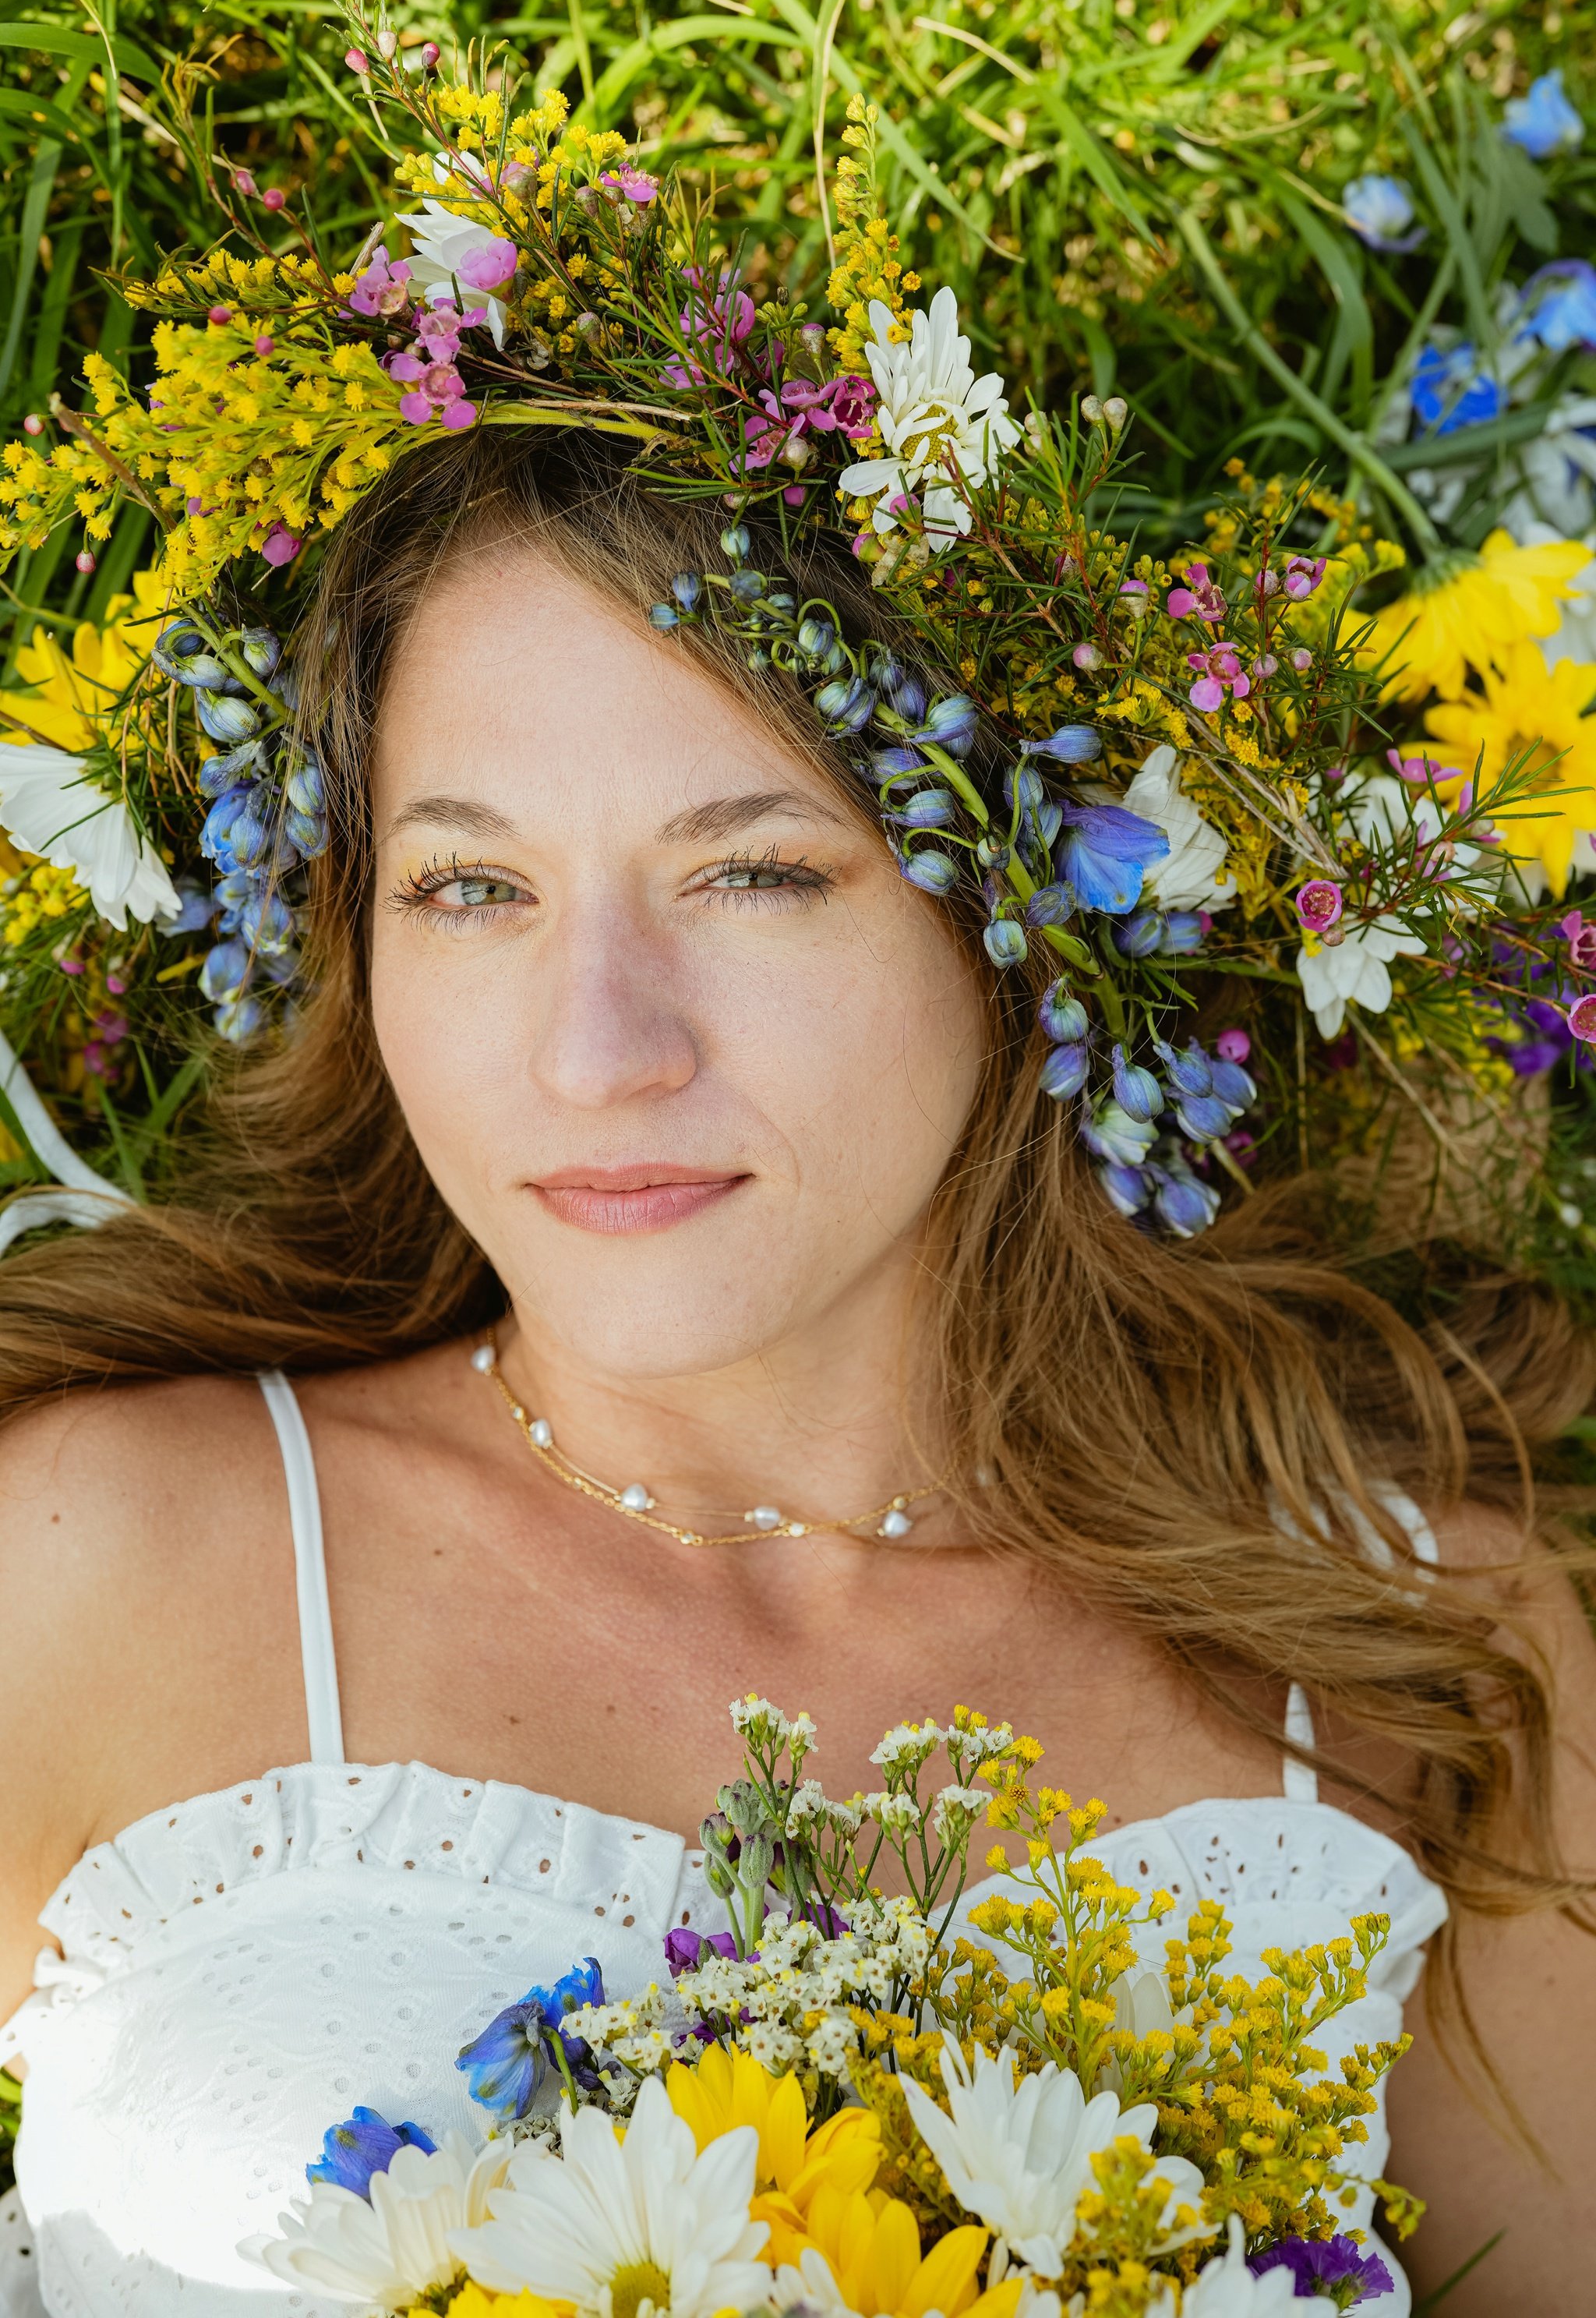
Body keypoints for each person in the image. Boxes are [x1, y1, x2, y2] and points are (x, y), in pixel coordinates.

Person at [0, 426, 1592, 2317]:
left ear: (1021, 928)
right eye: (471, 890)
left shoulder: (1414, 1646)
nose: (595, 1054)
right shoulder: (90, 1551)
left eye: (752, 874)